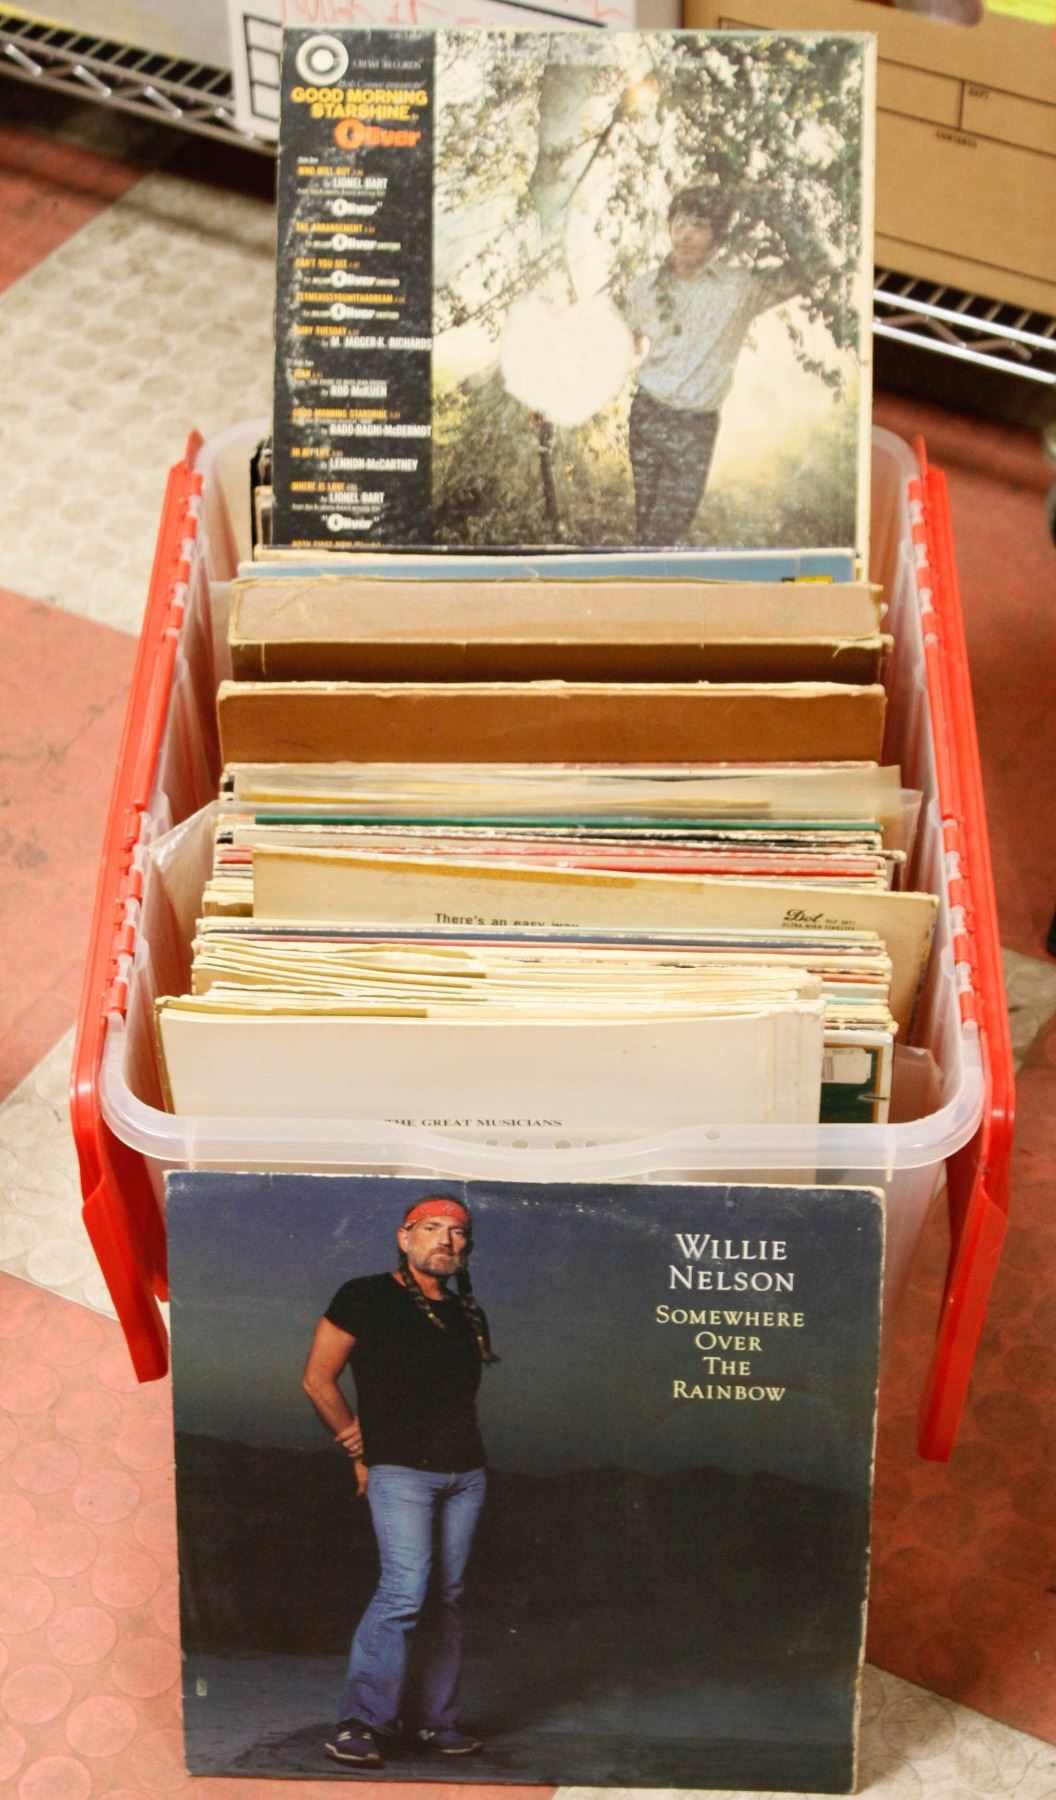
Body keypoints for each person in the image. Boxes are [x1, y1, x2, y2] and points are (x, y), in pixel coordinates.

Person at [302, 1195, 498, 1769]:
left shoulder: (468, 1312)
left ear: (466, 1245)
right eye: (431, 1228)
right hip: (403, 1472)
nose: (445, 1240)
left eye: (457, 1232)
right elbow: (317, 1379)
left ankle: (434, 1721)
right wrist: (355, 1445)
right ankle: (360, 1723)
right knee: (404, 1592)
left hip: (467, 1474)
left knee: (447, 1597)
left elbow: (449, 1399)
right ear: (404, 1237)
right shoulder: (364, 1295)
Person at [623, 184, 804, 546]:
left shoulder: (738, 288)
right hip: (648, 414)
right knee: (647, 524)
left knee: (666, 529)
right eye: (679, 222)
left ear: (717, 236)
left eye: (699, 225)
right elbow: (615, 348)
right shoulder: (644, 288)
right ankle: (643, 573)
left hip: (694, 426)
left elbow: (811, 268)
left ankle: (646, 570)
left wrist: (767, 203)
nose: (685, 234)